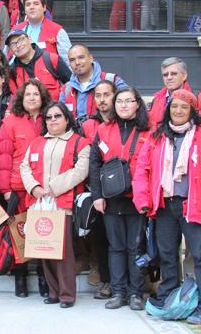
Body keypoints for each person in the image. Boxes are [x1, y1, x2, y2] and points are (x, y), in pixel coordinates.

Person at [132, 89, 201, 325]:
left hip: (195, 206)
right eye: (174, 106)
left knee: (200, 257)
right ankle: (168, 298)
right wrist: (143, 200)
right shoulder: (157, 136)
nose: (178, 111)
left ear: (192, 111)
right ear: (169, 109)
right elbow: (142, 169)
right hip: (165, 206)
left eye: (184, 107)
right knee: (167, 255)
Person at [20, 101, 89, 308]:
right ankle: (53, 292)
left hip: (63, 204)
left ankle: (67, 295)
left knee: (63, 252)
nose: (52, 120)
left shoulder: (80, 143)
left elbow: (80, 171)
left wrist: (53, 187)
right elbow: (24, 167)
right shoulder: (37, 142)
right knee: (44, 250)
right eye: (49, 117)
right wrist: (34, 187)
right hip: (39, 203)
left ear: (67, 119)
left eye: (57, 116)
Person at [87, 87, 150, 311]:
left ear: (137, 104)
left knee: (136, 247)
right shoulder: (104, 129)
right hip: (111, 199)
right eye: (120, 101)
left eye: (128, 101)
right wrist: (97, 196)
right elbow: (94, 164)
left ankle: (135, 293)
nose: (123, 105)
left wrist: (148, 199)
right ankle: (118, 292)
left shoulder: (148, 130)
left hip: (137, 199)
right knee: (115, 247)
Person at [0, 79, 51, 298]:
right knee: (19, 234)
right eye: (28, 94)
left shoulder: (51, 118)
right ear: (21, 97)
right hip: (18, 187)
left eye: (36, 94)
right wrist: (5, 189)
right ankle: (20, 277)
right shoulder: (10, 122)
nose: (32, 98)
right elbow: (4, 156)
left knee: (43, 233)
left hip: (45, 188)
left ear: (42, 97)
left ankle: (44, 277)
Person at [77, 78, 115, 299]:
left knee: (123, 241)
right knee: (100, 237)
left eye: (106, 95)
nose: (102, 100)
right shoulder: (88, 125)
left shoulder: (124, 122)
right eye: (98, 96)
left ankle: (128, 284)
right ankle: (107, 281)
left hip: (122, 189)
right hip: (97, 189)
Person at [61, 44, 128, 126]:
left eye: (81, 57)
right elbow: (62, 118)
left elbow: (129, 107)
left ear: (91, 58)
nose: (77, 62)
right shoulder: (66, 89)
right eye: (72, 60)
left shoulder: (112, 80)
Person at [148, 56, 201, 126]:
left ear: (184, 76)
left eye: (174, 74)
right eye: (165, 75)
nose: (169, 77)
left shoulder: (199, 99)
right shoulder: (156, 100)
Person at [6, 29, 71, 101]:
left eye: (21, 40)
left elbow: (72, 85)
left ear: (29, 39)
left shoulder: (51, 59)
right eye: (13, 44)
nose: (18, 45)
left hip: (53, 107)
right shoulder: (12, 71)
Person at [12, 0, 70, 65]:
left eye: (36, 4)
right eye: (28, 4)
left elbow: (68, 62)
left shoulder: (57, 31)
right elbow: (7, 57)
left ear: (44, 7)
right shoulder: (15, 30)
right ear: (25, 10)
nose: (32, 7)